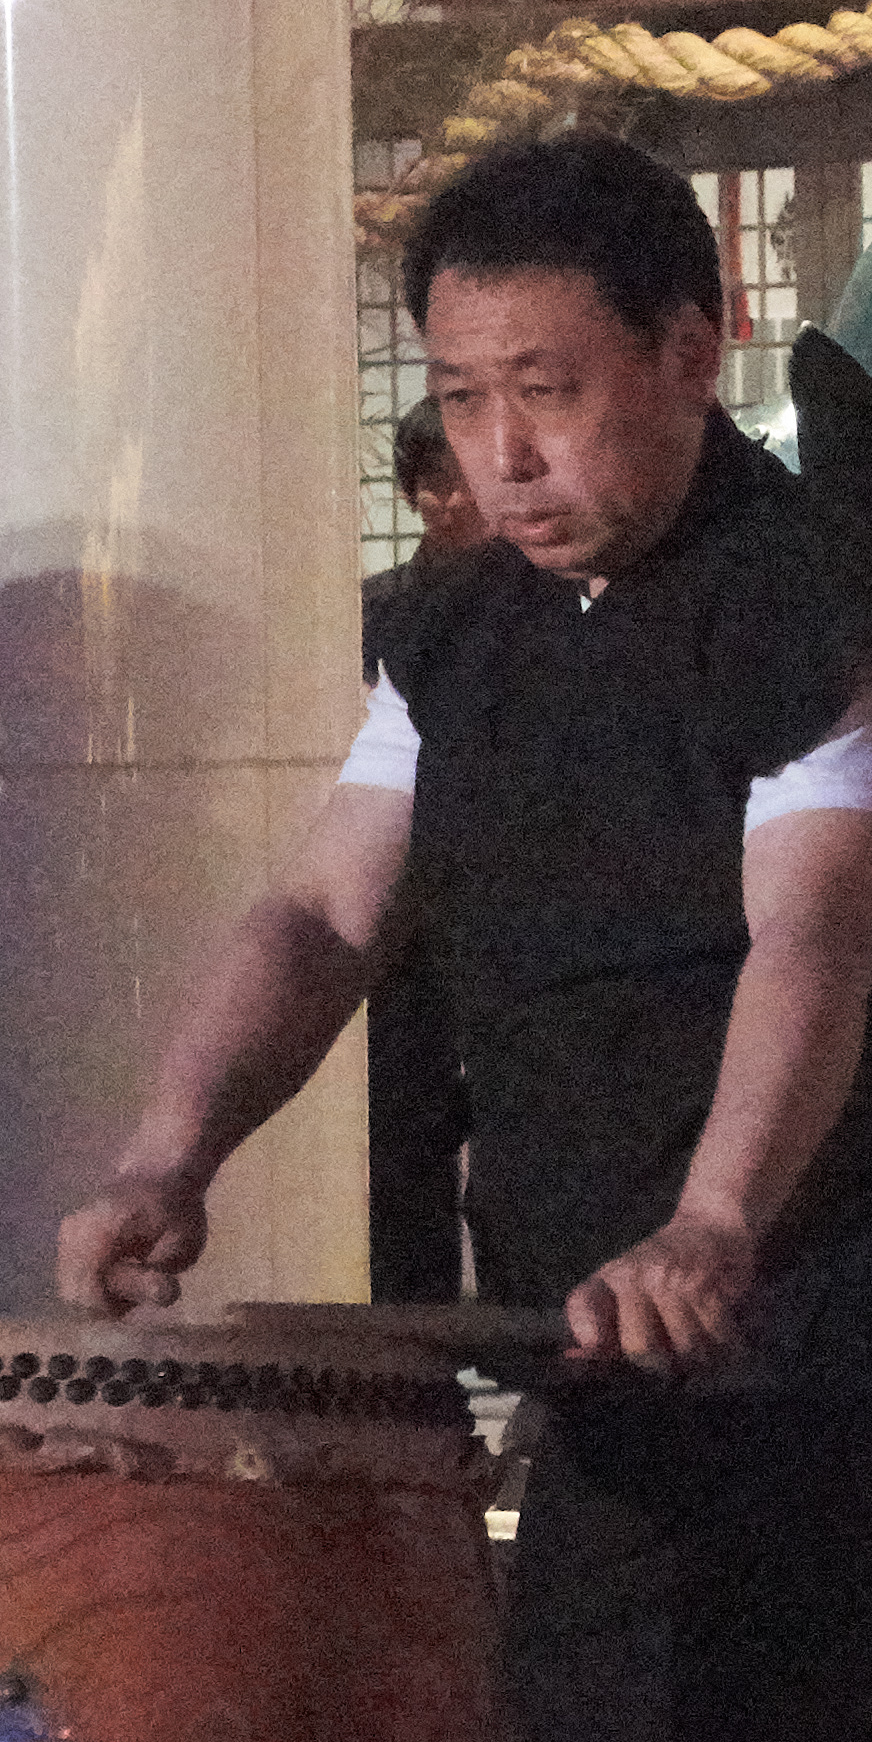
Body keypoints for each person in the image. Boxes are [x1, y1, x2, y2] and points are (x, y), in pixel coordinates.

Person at [55, 132, 872, 1742]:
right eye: (469, 392)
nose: (511, 443)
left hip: (814, 1310)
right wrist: (169, 1143)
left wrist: (712, 1221)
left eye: (556, 386)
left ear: (698, 354)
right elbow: (319, 913)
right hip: (596, 1333)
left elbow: (819, 943)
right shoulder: (459, 626)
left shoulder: (831, 612)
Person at [358, 400, 485, 1304]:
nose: (452, 499)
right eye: (434, 480)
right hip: (404, 917)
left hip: (503, 910)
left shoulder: (561, 607)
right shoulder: (374, 618)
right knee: (404, 1139)